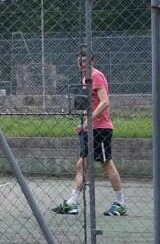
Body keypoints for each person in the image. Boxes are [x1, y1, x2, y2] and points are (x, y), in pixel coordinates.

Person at [52, 50, 126, 216]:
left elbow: (105, 102)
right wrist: (83, 124)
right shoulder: (85, 79)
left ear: (93, 61)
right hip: (91, 128)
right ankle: (72, 203)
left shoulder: (96, 76)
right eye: (80, 61)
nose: (82, 64)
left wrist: (90, 120)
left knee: (106, 164)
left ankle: (120, 203)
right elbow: (90, 105)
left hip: (101, 129)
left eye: (86, 61)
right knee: (81, 165)